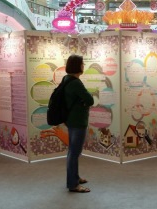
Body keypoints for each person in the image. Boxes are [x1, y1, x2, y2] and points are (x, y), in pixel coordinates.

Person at [64, 55, 94, 193]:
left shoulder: (66, 79)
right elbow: (90, 99)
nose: (83, 65)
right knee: (74, 153)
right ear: (78, 66)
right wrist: (84, 101)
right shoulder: (76, 82)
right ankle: (73, 184)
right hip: (78, 122)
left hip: (71, 121)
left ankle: (74, 178)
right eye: (82, 63)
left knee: (72, 151)